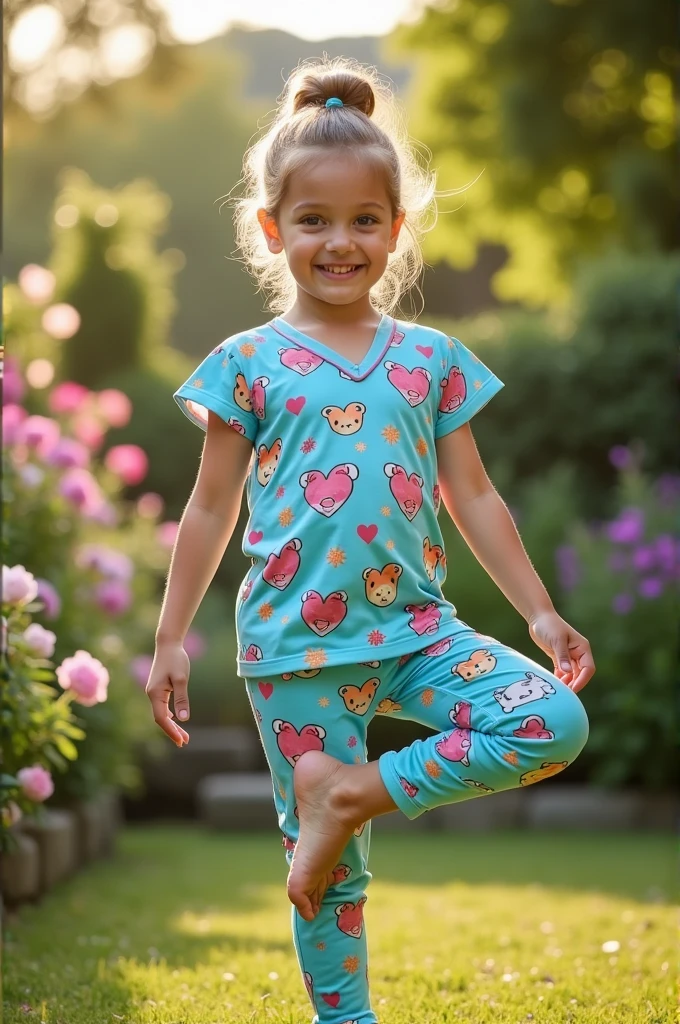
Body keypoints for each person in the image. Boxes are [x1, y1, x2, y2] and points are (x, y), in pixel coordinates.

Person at [147, 56, 595, 1024]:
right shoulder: (246, 365)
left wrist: (537, 609)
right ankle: (343, 1018)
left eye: (363, 221)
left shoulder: (431, 360)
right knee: (328, 880)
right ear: (271, 229)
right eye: (313, 220)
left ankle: (347, 792)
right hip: (294, 651)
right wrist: (169, 637)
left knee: (547, 722)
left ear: (396, 230)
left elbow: (471, 495)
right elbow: (206, 510)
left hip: (417, 632)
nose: (339, 241)